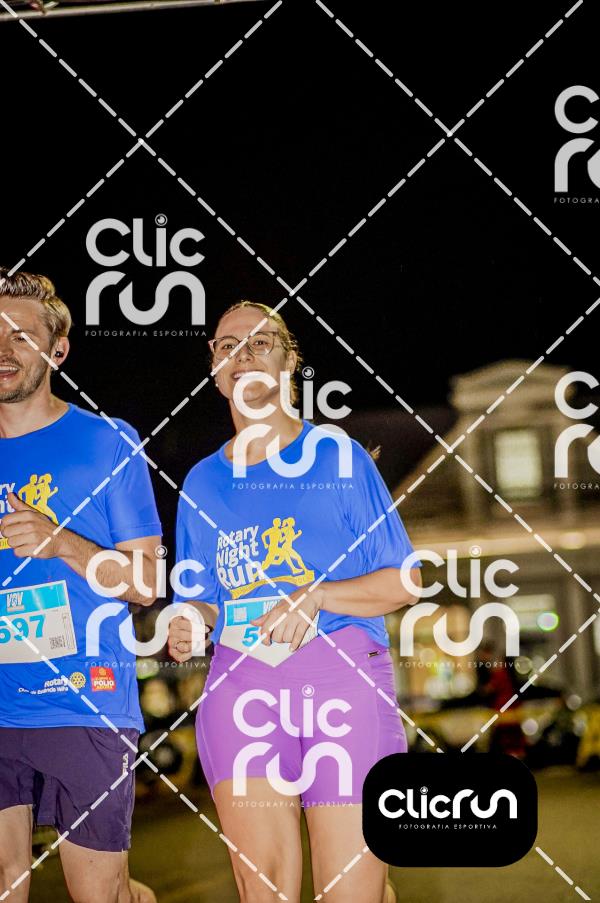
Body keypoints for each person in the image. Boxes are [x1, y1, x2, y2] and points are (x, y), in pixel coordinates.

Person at [168, 301, 422, 903]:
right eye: (227, 345)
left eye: (260, 342)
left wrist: (319, 596)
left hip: (342, 680)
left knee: (352, 892)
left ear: (289, 363)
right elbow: (200, 599)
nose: (242, 354)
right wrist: (188, 619)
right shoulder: (201, 483)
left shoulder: (338, 458)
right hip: (242, 688)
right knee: (265, 891)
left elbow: (404, 581)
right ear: (215, 369)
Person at [0, 268, 161, 903]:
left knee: (97, 893)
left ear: (57, 349)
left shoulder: (106, 442)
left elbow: (145, 583)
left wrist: (60, 542)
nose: (3, 350)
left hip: (83, 702)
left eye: (21, 336)